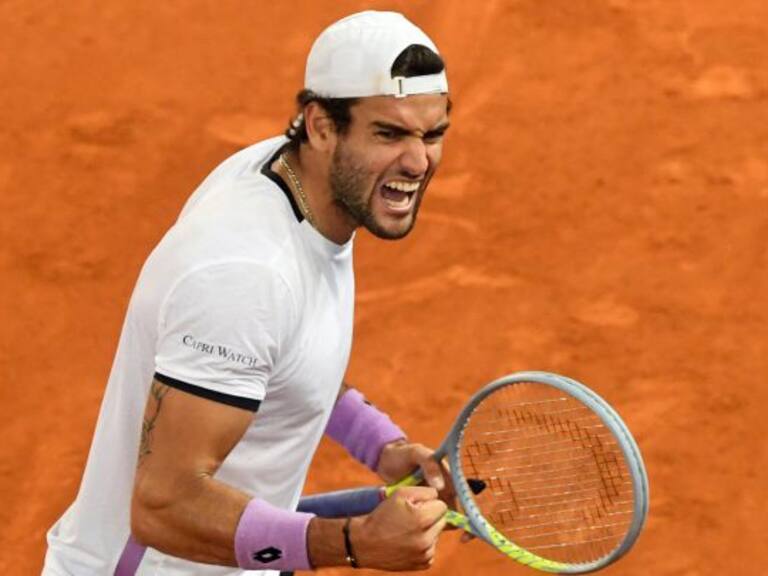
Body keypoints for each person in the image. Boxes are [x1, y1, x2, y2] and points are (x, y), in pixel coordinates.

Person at [43, 10, 453, 576]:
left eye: (433, 134)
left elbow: (283, 359)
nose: (417, 161)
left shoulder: (311, 182)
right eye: (389, 133)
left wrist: (379, 444)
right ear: (321, 126)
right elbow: (163, 507)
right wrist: (351, 542)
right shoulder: (248, 272)